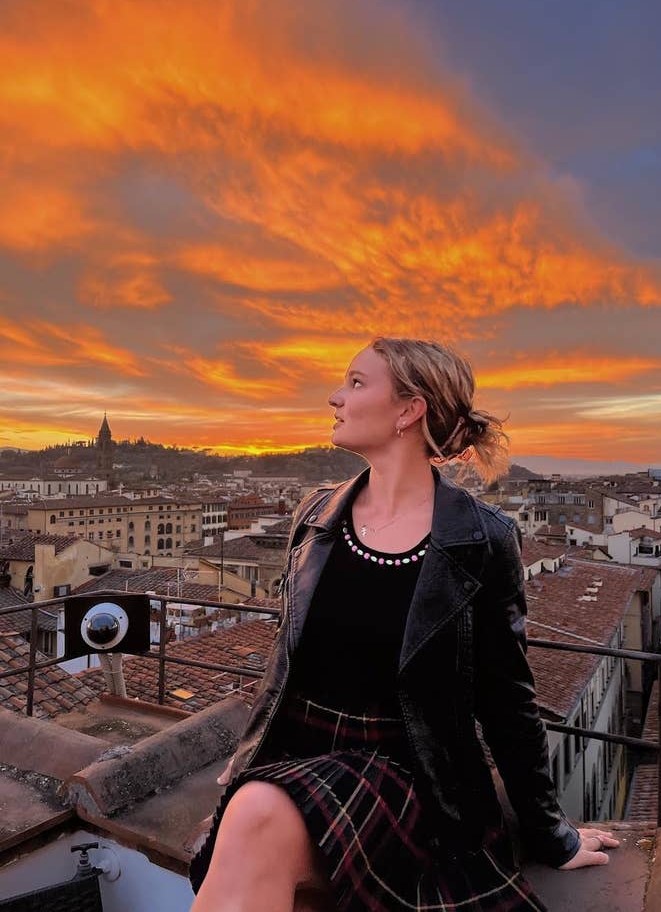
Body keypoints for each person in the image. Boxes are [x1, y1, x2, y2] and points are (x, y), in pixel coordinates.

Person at [189, 337, 619, 911]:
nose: (335, 396)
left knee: (257, 813)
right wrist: (248, 755)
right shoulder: (315, 516)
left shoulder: (481, 538)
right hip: (294, 754)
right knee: (255, 812)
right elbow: (285, 656)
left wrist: (550, 834)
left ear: (408, 410)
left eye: (356, 382)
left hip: (408, 773)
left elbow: (507, 700)